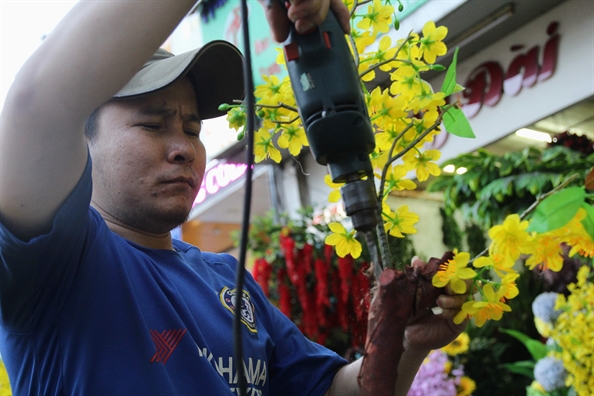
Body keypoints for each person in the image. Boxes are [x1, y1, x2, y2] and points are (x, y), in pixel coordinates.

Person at [0, 0, 468, 395]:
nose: (184, 148)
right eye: (152, 123)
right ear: (79, 145)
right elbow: (38, 106)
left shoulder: (227, 280)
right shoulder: (56, 258)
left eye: (192, 128)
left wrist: (405, 342)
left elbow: (334, 390)